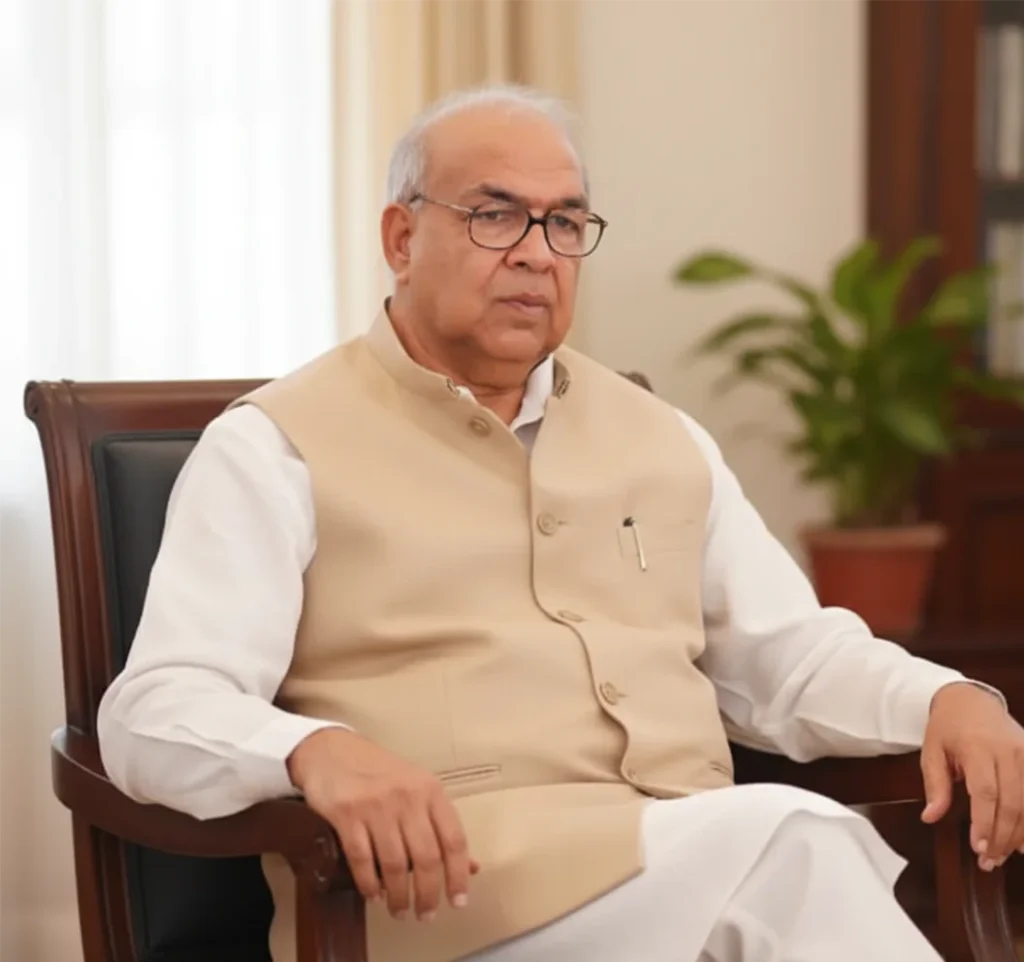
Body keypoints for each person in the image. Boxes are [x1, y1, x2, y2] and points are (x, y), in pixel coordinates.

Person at [97, 84, 1024, 962]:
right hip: (446, 899)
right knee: (799, 840)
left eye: (566, 223)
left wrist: (944, 698)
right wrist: (313, 751)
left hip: (686, 861)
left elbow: (789, 657)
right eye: (495, 215)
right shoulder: (274, 446)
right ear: (401, 238)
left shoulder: (662, 435)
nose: (538, 253)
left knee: (783, 852)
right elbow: (156, 710)